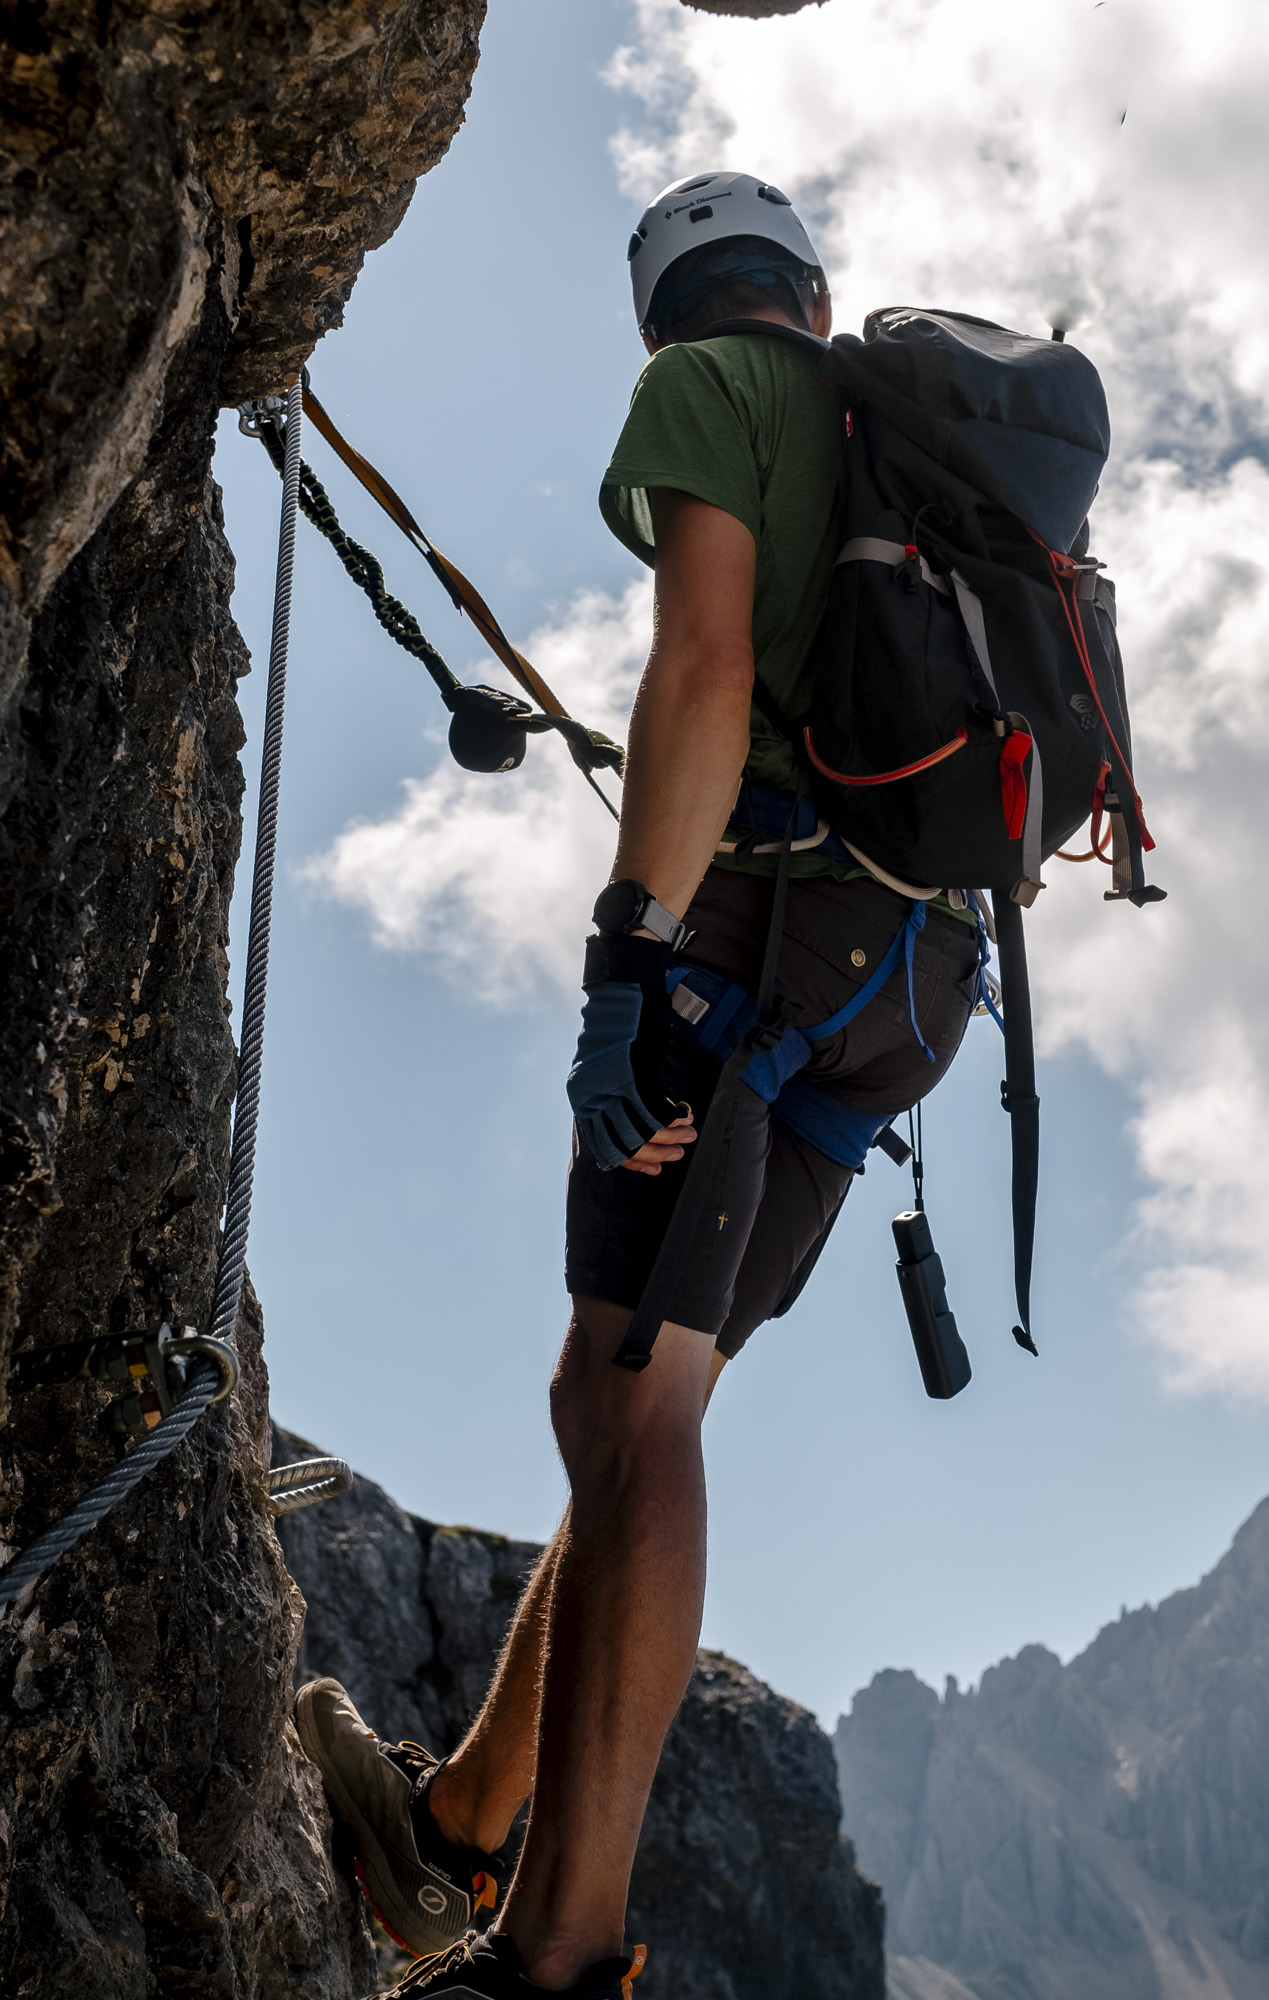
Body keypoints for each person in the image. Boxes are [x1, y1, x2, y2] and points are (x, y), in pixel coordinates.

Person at [295, 171, 981, 1999]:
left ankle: (558, 1954)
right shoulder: (893, 436)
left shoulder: (712, 387)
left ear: (669, 309)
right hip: (908, 981)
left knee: (633, 1415)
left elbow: (700, 663)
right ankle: (456, 1831)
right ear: (815, 295)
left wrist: (627, 955)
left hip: (755, 943)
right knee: (630, 1397)